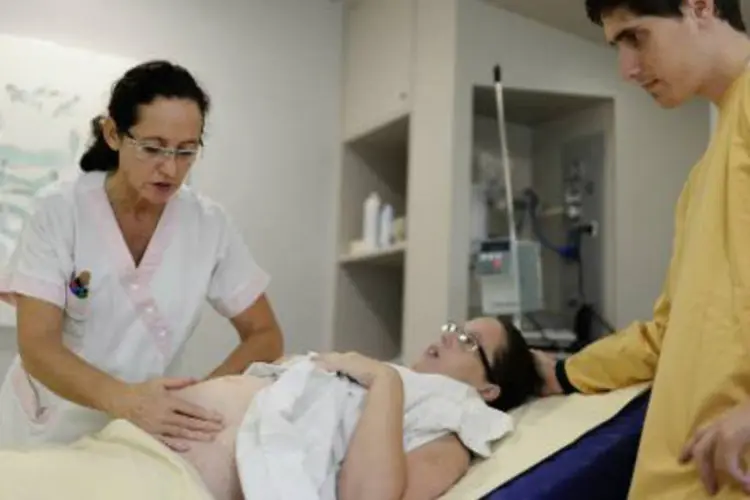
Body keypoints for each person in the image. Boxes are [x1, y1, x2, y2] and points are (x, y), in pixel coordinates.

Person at [0, 60, 284, 451]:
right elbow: (38, 346)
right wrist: (125, 400)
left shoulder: (209, 224)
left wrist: (202, 395)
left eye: (186, 151)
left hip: (144, 434)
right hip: (50, 427)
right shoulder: (59, 211)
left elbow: (265, 334)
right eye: (153, 148)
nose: (170, 168)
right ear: (113, 134)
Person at [533, 0, 750, 497]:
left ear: (700, 7)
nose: (627, 69)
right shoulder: (701, 182)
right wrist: (561, 372)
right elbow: (668, 335)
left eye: (636, 37)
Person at [0, 316, 543, 500]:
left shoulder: (450, 424)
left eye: (469, 343)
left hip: (173, 479)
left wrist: (382, 380)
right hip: (128, 445)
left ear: (489, 391)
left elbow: (369, 499)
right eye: (452, 327)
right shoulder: (382, 381)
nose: (448, 338)